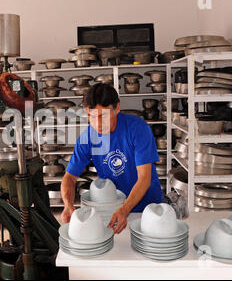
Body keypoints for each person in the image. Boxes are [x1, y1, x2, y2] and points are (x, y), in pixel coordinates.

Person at [60, 83, 162, 234]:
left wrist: (125, 210)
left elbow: (144, 178)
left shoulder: (137, 128)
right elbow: (69, 177)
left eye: (103, 116)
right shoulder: (88, 137)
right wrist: (68, 204)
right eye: (91, 117)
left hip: (147, 209)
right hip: (111, 209)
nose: (97, 124)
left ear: (117, 108)